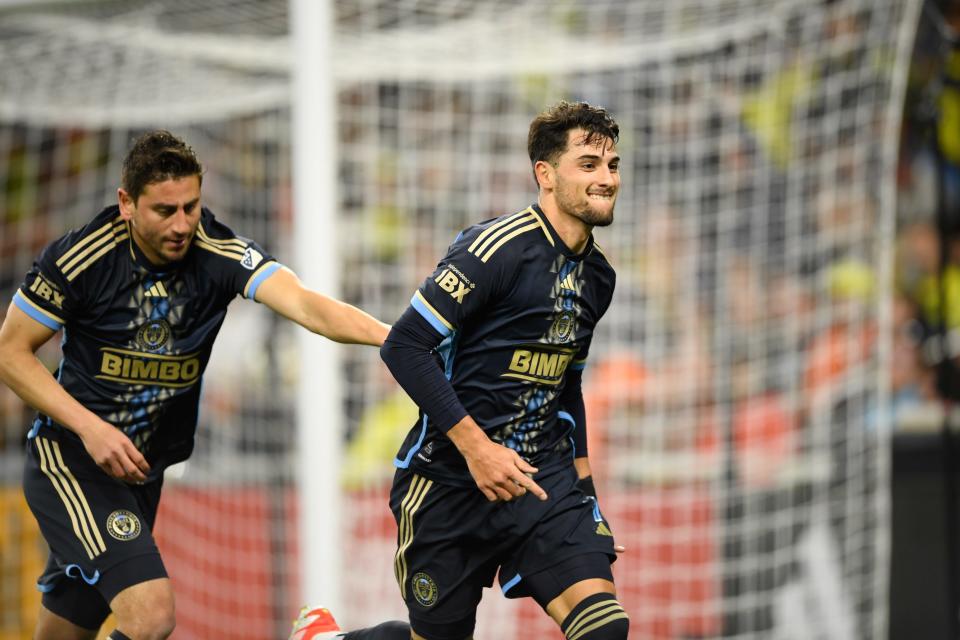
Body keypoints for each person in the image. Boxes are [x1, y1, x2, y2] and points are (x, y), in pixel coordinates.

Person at [0, 130, 396, 640]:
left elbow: (305, 304)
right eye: (165, 210)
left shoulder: (218, 252)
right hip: (73, 460)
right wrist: (90, 429)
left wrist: (396, 338)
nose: (183, 224)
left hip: (141, 473)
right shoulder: (82, 258)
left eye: (191, 206)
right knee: (152, 616)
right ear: (126, 203)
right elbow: (10, 352)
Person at [379, 101, 630, 639]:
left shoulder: (600, 278)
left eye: (611, 165)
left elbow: (568, 384)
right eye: (588, 164)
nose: (606, 179)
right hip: (448, 482)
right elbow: (404, 346)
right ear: (546, 174)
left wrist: (587, 496)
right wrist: (478, 449)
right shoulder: (493, 250)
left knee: (605, 629)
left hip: (541, 484)